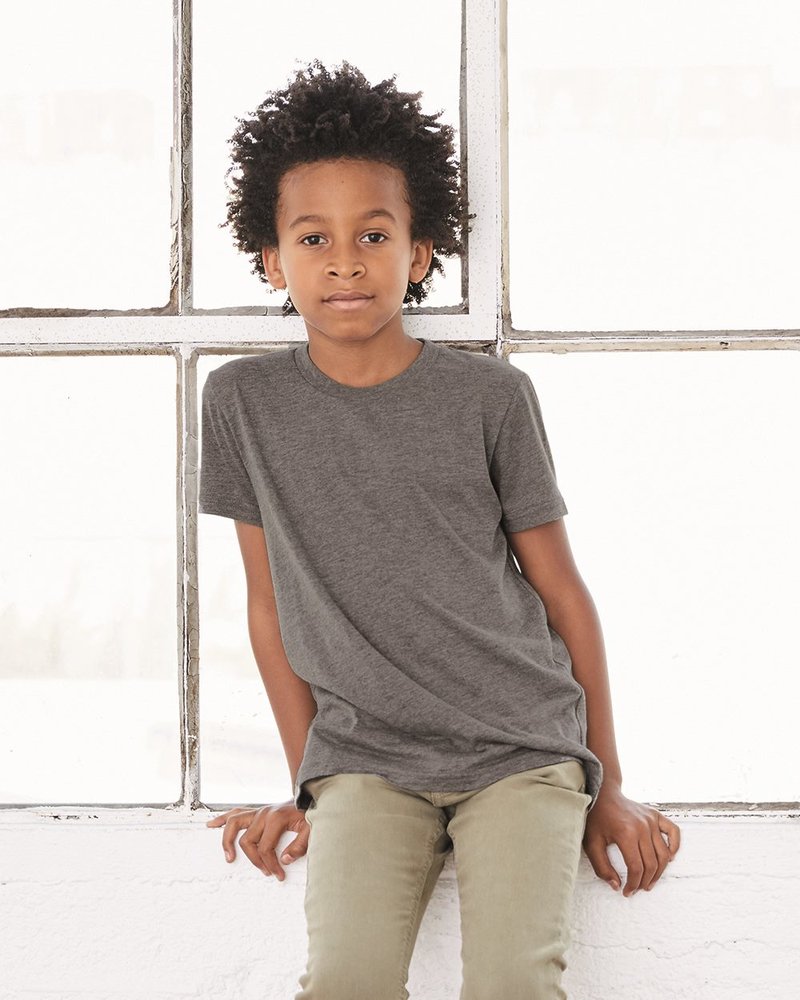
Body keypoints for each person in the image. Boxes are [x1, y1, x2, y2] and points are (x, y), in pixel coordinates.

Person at [201, 60, 681, 1000]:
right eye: (313, 237)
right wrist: (306, 784)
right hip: (364, 759)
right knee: (345, 979)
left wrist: (608, 783)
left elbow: (561, 591)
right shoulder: (240, 403)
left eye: (374, 235)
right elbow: (268, 606)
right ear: (272, 260)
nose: (345, 260)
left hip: (521, 748)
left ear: (420, 254)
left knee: (512, 983)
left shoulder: (491, 396)